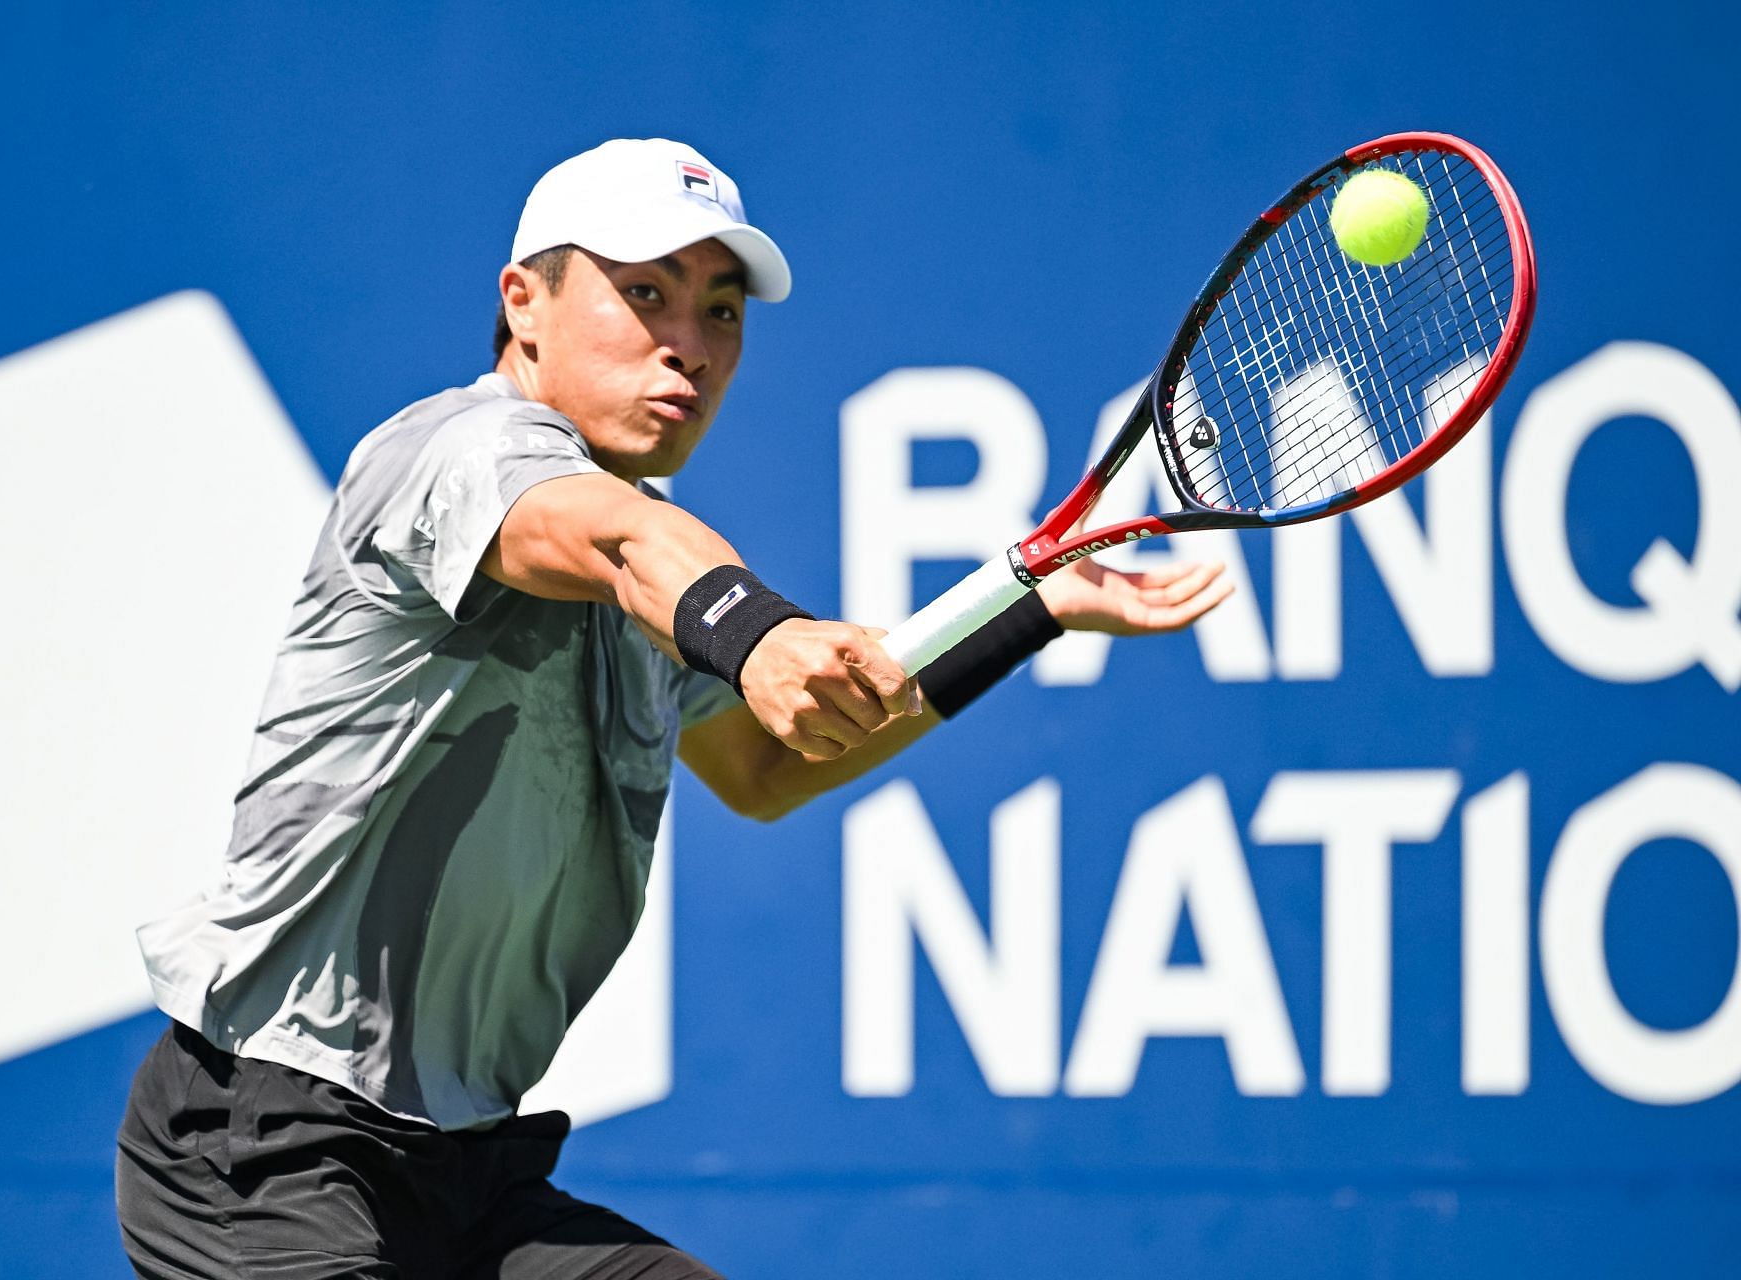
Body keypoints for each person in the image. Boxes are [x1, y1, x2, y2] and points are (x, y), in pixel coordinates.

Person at [114, 137, 1231, 1280]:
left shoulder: (655, 579)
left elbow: (764, 764)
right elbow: (614, 538)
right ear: (526, 304)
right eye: (643, 292)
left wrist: (1026, 608)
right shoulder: (456, 453)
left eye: (722, 309)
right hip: (265, 1153)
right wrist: (763, 633)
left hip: (473, 1171)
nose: (688, 344)